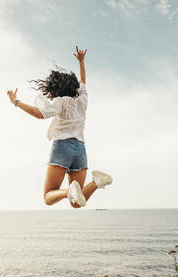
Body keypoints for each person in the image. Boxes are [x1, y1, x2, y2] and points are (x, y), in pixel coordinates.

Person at [6, 46, 112, 208]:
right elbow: (83, 81)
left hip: (62, 147)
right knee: (77, 203)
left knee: (48, 197)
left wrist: (16, 102)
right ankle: (97, 182)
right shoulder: (83, 98)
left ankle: (67, 191)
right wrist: (81, 62)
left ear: (56, 88)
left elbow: (39, 113)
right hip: (80, 149)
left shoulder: (61, 101)